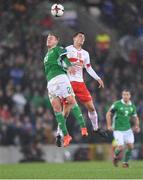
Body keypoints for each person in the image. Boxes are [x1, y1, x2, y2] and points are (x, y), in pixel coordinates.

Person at [56, 32, 108, 147]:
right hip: (68, 83)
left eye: (83, 37)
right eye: (80, 36)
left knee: (91, 107)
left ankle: (96, 128)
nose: (82, 38)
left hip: (80, 84)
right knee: (66, 112)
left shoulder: (85, 54)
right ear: (74, 38)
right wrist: (67, 67)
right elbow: (59, 62)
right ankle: (59, 135)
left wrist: (98, 78)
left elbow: (88, 68)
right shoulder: (67, 49)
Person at [43, 33, 88, 147]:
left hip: (61, 79)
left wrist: (69, 66)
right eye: (48, 38)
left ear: (56, 41)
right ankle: (66, 136)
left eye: (51, 38)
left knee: (71, 101)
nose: (49, 39)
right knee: (57, 110)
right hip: (51, 83)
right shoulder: (46, 55)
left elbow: (64, 58)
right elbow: (59, 64)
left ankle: (83, 127)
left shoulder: (58, 49)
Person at [106, 89, 140, 167]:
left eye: (127, 95)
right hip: (118, 130)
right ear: (122, 95)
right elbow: (108, 114)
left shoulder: (132, 106)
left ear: (130, 96)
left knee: (131, 147)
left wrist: (137, 126)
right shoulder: (117, 104)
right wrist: (109, 125)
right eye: (124, 95)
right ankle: (115, 156)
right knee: (121, 147)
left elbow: (135, 117)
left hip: (128, 130)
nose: (125, 96)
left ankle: (125, 162)